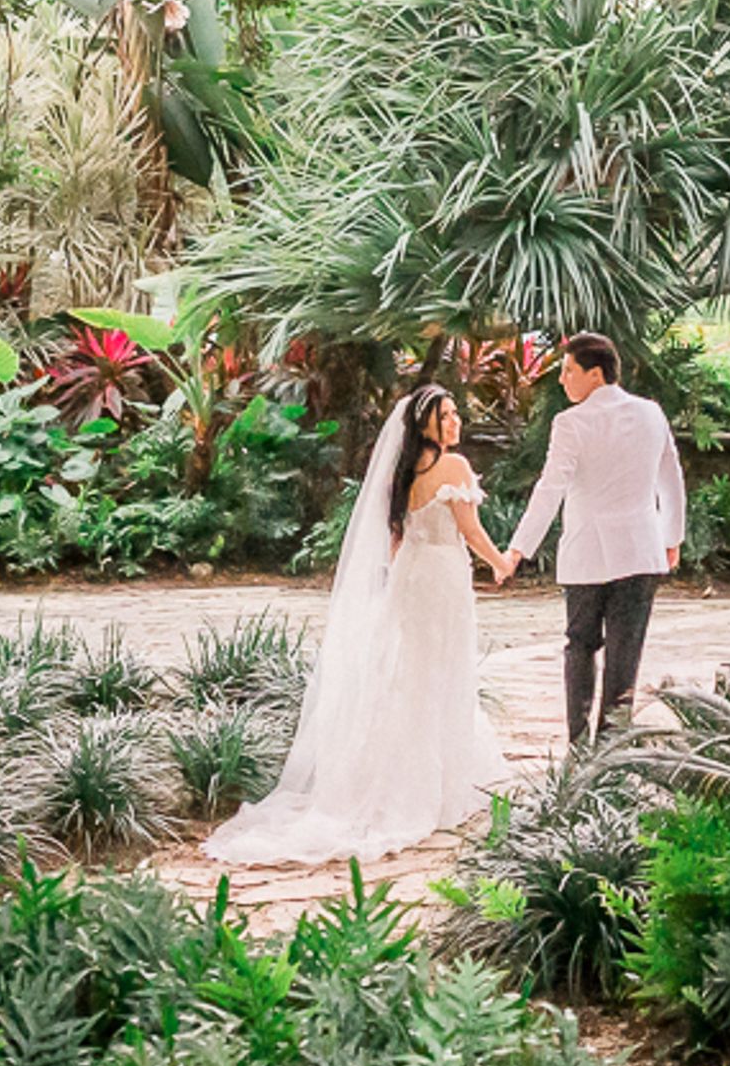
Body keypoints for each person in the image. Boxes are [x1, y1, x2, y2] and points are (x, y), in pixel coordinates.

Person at [200, 384, 513, 865]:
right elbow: (470, 531)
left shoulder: (400, 471)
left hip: (410, 577)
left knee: (407, 673)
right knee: (440, 669)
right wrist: (500, 562)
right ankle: (434, 783)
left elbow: (394, 539)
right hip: (442, 578)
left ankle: (391, 773)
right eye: (446, 416)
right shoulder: (453, 467)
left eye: (455, 415)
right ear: (424, 424)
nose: (456, 423)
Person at [507, 333, 685, 743]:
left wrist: (519, 548)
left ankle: (577, 740)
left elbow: (550, 487)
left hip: (586, 552)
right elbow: (670, 478)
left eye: (569, 370)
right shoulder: (650, 414)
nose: (562, 380)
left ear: (595, 373)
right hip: (641, 550)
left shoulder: (571, 423)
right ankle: (612, 743)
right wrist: (671, 537)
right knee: (626, 653)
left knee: (580, 645)